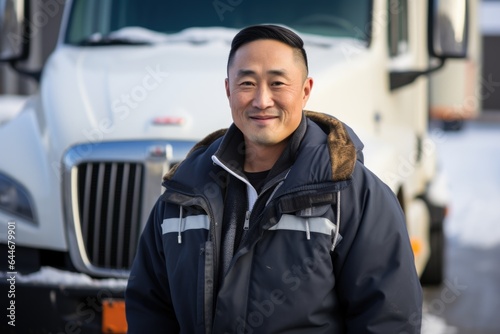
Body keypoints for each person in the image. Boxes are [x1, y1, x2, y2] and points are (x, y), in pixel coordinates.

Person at [125, 24, 423, 333]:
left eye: (278, 83)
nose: (262, 100)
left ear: (305, 90)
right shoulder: (184, 194)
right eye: (247, 83)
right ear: (228, 90)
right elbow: (150, 309)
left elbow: (388, 319)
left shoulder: (353, 196)